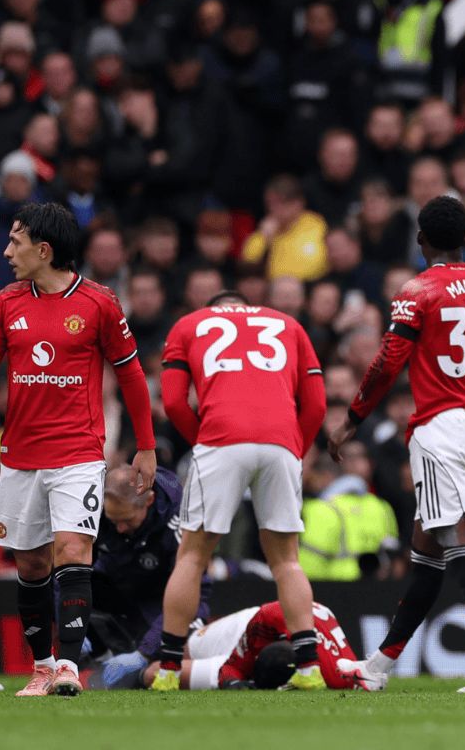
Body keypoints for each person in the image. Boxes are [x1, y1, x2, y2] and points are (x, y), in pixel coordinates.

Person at [328, 196, 465, 693]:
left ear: (421, 240)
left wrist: (354, 416)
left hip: (440, 430)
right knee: (427, 551)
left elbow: (387, 361)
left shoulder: (417, 290)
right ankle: (377, 668)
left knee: (463, 544)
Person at [0, 203, 158, 697]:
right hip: (21, 456)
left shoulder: (99, 303)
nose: (7, 251)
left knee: (73, 551)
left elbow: (132, 376)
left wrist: (147, 447)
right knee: (30, 565)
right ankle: (43, 666)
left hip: (78, 452)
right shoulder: (6, 302)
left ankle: (69, 668)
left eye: (15, 241)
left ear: (43, 250)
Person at [152, 289, 328, 692]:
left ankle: (166, 670)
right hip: (282, 442)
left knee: (193, 556)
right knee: (287, 561)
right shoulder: (289, 324)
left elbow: (174, 402)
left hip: (220, 439)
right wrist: (294, 449)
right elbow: (316, 406)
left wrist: (205, 442)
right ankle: (308, 668)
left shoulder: (189, 324)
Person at [85, 464, 200, 688]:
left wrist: (144, 653)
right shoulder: (94, 507)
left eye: (126, 520)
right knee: (61, 578)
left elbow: (196, 594)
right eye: (113, 520)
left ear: (148, 501)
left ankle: (139, 654)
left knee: (188, 634)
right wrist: (71, 624)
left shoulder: (181, 520)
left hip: (163, 600)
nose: (119, 528)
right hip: (119, 586)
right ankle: (97, 654)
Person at [139, 602, 357, 690]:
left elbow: (367, 682)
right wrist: (231, 681)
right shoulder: (262, 623)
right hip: (243, 629)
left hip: (289, 627)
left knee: (155, 674)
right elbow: (230, 669)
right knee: (169, 663)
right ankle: (132, 662)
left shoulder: (338, 672)